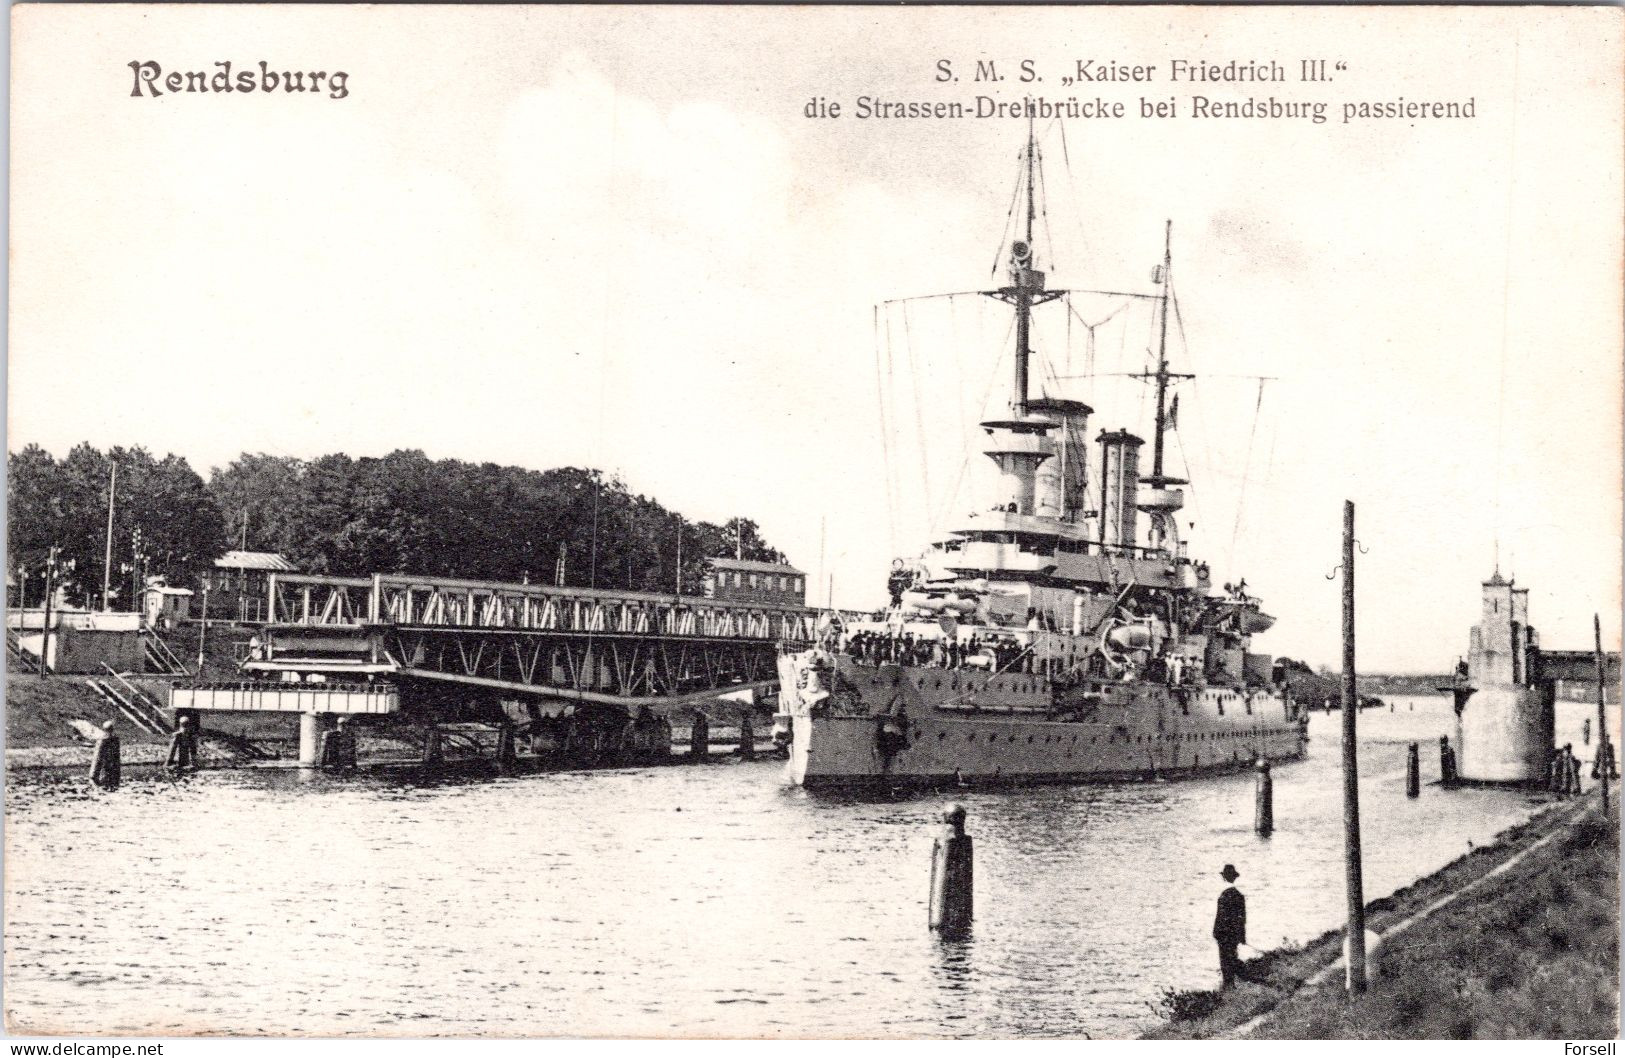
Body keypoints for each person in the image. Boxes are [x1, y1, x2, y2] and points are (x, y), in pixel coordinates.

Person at [1213, 864, 1247, 989]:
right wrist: (1242, 936)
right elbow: (1242, 919)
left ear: (1224, 877)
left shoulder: (1222, 895)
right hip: (1232, 934)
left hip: (1222, 933)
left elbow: (1219, 916)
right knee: (1232, 956)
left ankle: (1229, 984)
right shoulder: (1239, 895)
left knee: (1224, 959)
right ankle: (1233, 982)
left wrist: (1216, 932)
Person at [90, 719, 121, 790]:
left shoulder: (103, 740)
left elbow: (97, 759)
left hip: (105, 777)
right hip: (111, 777)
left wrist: (93, 775)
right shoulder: (114, 740)